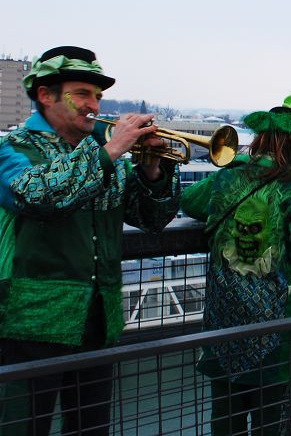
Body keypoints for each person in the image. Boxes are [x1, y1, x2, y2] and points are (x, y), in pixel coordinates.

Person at [0, 46, 181, 436]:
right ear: (46, 95)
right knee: (21, 426)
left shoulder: (101, 156)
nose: (93, 104)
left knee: (90, 428)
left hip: (99, 317)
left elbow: (152, 219)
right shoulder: (15, 150)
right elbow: (38, 196)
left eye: (97, 96)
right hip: (31, 320)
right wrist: (113, 148)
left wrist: (151, 169)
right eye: (82, 93)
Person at [180, 93, 291, 436]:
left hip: (223, 319)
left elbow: (189, 203)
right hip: (276, 326)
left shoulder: (226, 177)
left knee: (226, 421)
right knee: (272, 422)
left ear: (259, 139)